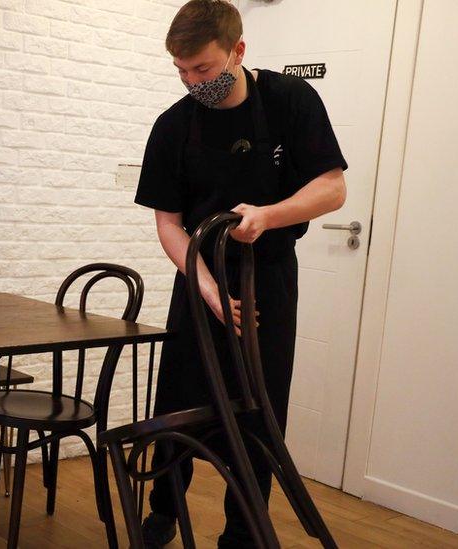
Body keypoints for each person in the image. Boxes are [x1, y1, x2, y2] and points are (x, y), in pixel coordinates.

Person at [133, 1, 348, 547]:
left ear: (238, 51)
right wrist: (205, 289)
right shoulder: (173, 126)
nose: (191, 81)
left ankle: (243, 530)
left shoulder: (291, 103)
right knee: (178, 407)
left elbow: (332, 187)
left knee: (260, 408)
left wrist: (269, 216)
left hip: (267, 283)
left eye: (202, 69)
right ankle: (162, 514)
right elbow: (169, 224)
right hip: (199, 281)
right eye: (180, 71)